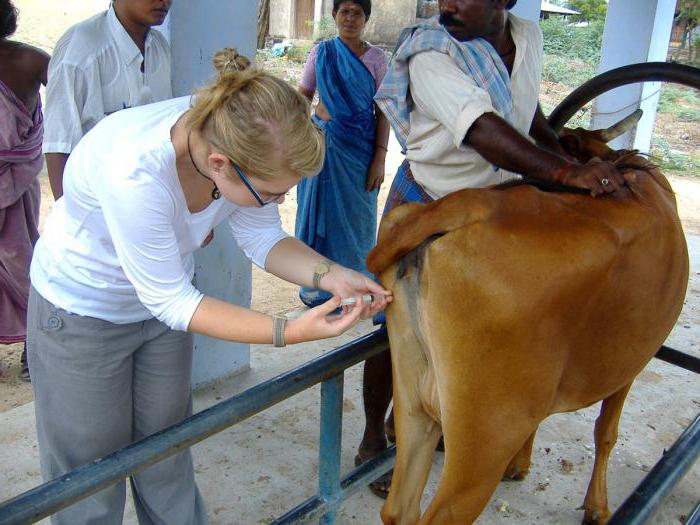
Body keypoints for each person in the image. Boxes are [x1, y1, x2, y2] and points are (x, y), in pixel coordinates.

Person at [27, 48, 391, 524]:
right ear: (219, 163)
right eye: (273, 193)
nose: (279, 201)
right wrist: (289, 331)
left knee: (168, 449)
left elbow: (262, 235)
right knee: (89, 474)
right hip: (82, 313)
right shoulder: (136, 171)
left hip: (158, 315)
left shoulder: (239, 132)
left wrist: (330, 274)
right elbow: (173, 300)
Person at [358, 0, 630, 498]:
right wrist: (565, 173)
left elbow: (522, 109)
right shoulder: (430, 55)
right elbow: (484, 129)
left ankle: (446, 416)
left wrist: (556, 146)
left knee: (471, 329)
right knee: (392, 330)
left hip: (495, 205)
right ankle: (375, 436)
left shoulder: (527, 37)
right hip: (428, 200)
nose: (447, 4)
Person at [295, 0, 390, 308]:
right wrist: (296, 137)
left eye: (357, 12)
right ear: (334, 15)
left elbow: (383, 111)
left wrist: (380, 157)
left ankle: (356, 287)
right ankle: (319, 290)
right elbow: (303, 97)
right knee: (317, 212)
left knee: (358, 218)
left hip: (360, 152)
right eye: (344, 11)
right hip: (321, 144)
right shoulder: (321, 53)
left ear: (366, 19)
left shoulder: (376, 59)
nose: (350, 18)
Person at [43, 0, 173, 200]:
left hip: (151, 198)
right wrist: (70, 219)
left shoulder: (159, 47)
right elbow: (59, 145)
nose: (164, 1)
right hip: (96, 203)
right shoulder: (80, 50)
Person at [0, 0, 49, 381]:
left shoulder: (32, 61)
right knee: (24, 262)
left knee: (24, 262)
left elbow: (72, 107)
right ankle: (37, 348)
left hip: (15, 185)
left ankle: (39, 346)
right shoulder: (33, 60)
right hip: (18, 181)